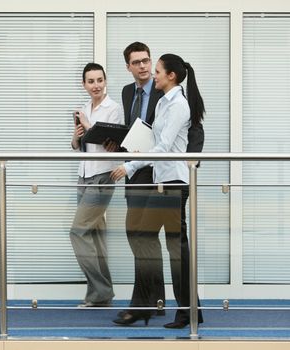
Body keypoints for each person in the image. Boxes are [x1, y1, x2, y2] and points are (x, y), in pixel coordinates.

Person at [110, 53, 205, 328]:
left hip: (174, 184)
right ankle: (177, 308)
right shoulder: (165, 102)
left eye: (159, 71)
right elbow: (155, 140)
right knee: (152, 239)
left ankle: (185, 312)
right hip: (161, 181)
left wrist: (130, 166)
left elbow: (163, 148)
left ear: (171, 76)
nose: (154, 74)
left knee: (175, 248)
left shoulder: (179, 106)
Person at [70, 62, 124, 307]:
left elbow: (111, 144)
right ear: (84, 84)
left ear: (105, 81)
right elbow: (77, 146)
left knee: (77, 232)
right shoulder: (84, 108)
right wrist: (76, 135)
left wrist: (90, 127)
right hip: (84, 175)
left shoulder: (113, 109)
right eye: (90, 81)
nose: (96, 85)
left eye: (99, 80)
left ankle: (100, 292)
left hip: (102, 176)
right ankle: (103, 295)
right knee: (94, 235)